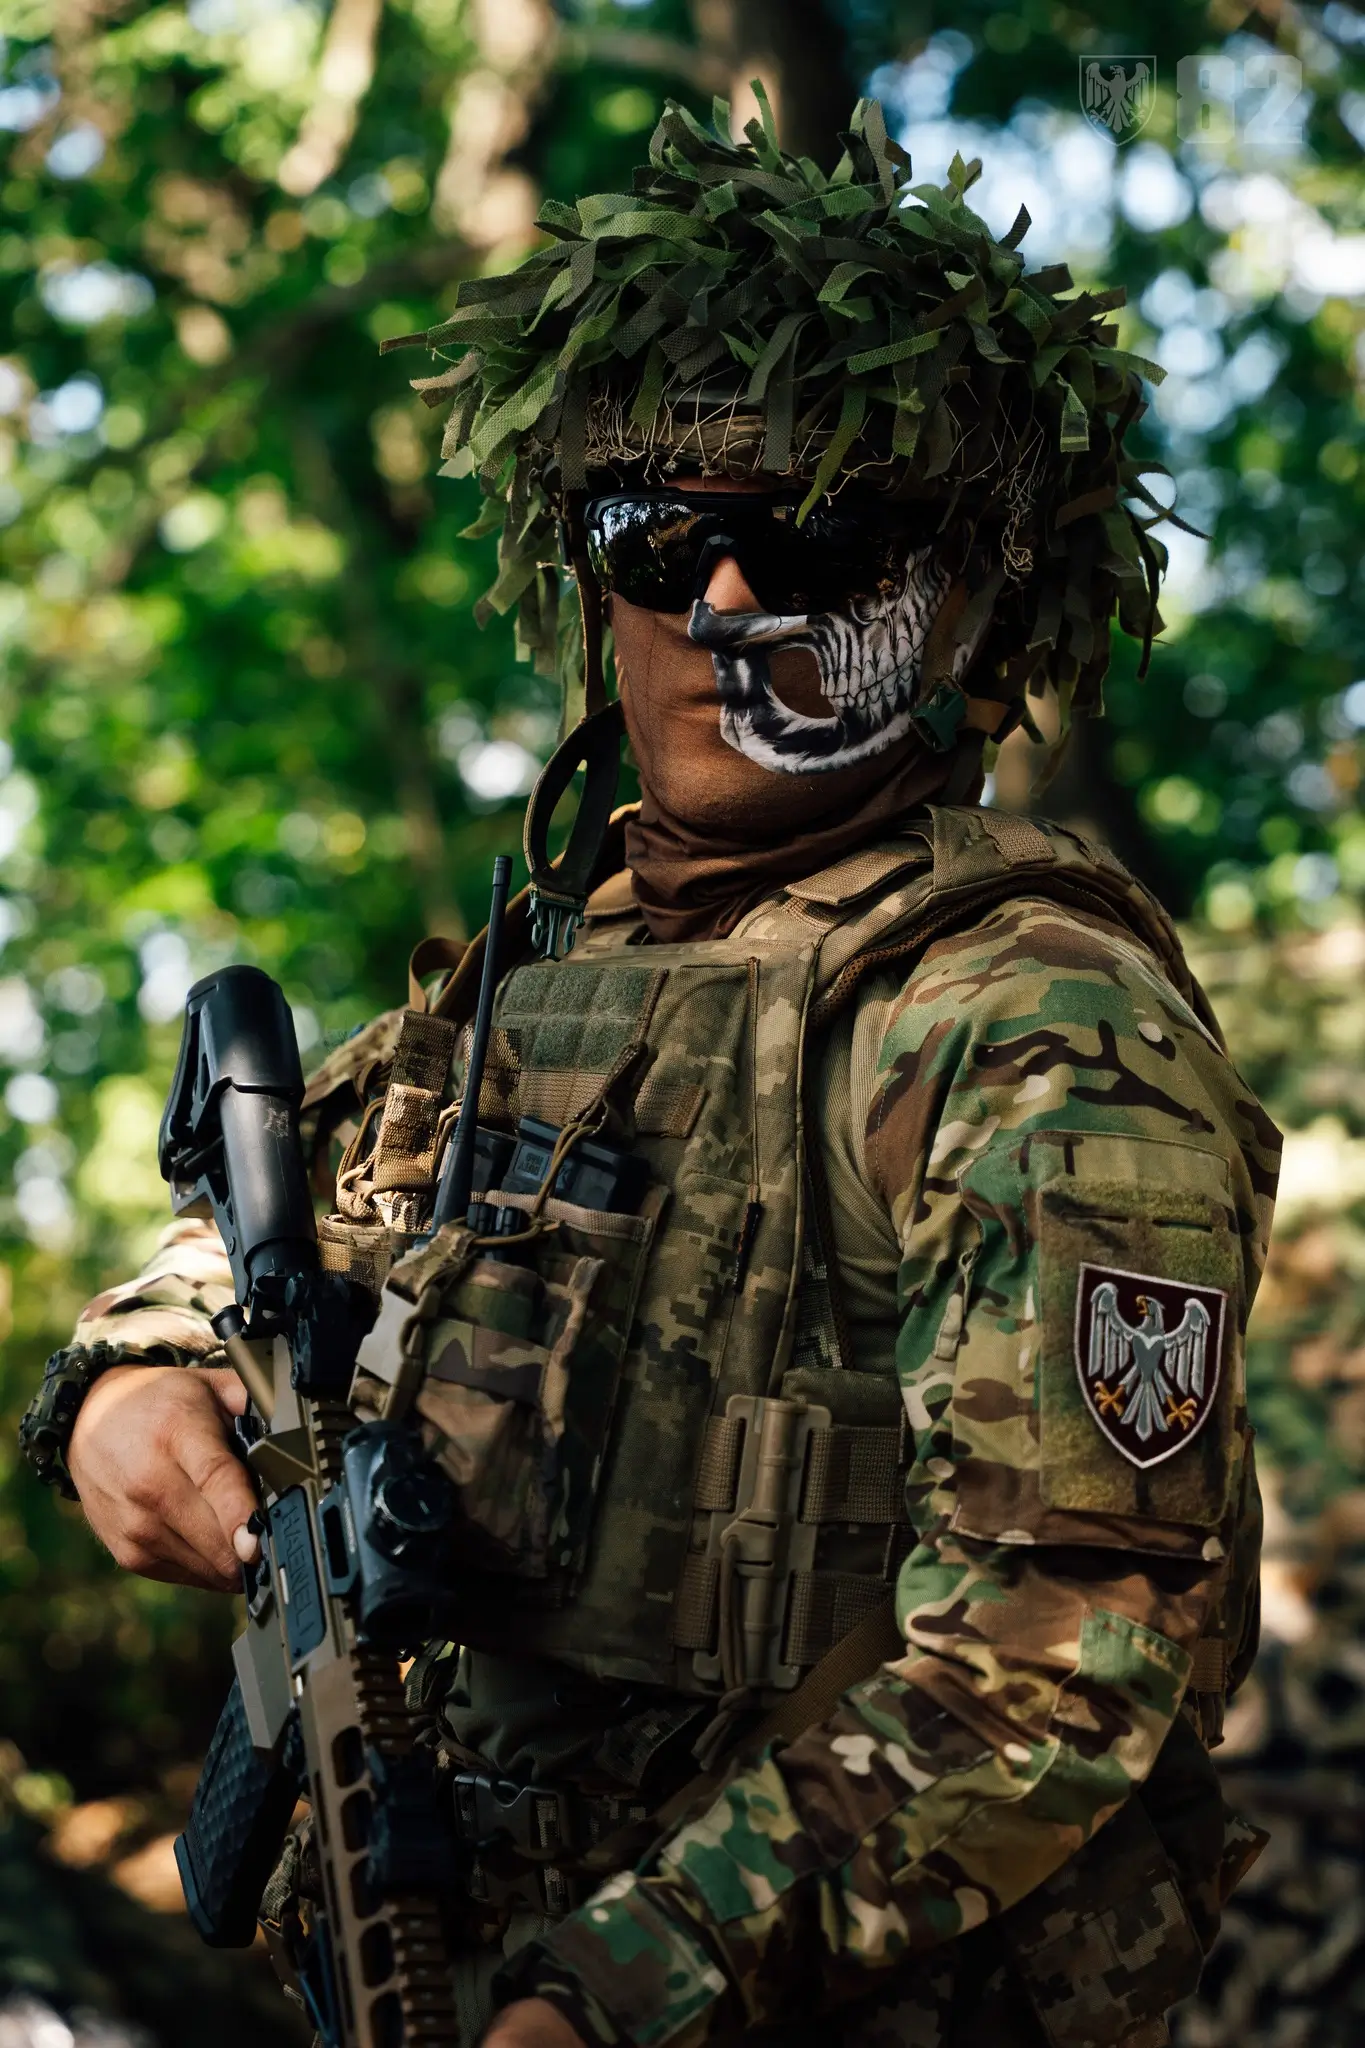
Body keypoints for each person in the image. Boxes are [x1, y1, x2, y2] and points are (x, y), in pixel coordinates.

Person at [20, 92, 1280, 2048]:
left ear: (959, 597)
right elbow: (278, 1220)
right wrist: (136, 1372)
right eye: (655, 532)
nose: (719, 601)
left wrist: (610, 1995)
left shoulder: (1021, 1023)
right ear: (585, 580)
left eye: (813, 535)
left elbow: (1068, 1653)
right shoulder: (563, 954)